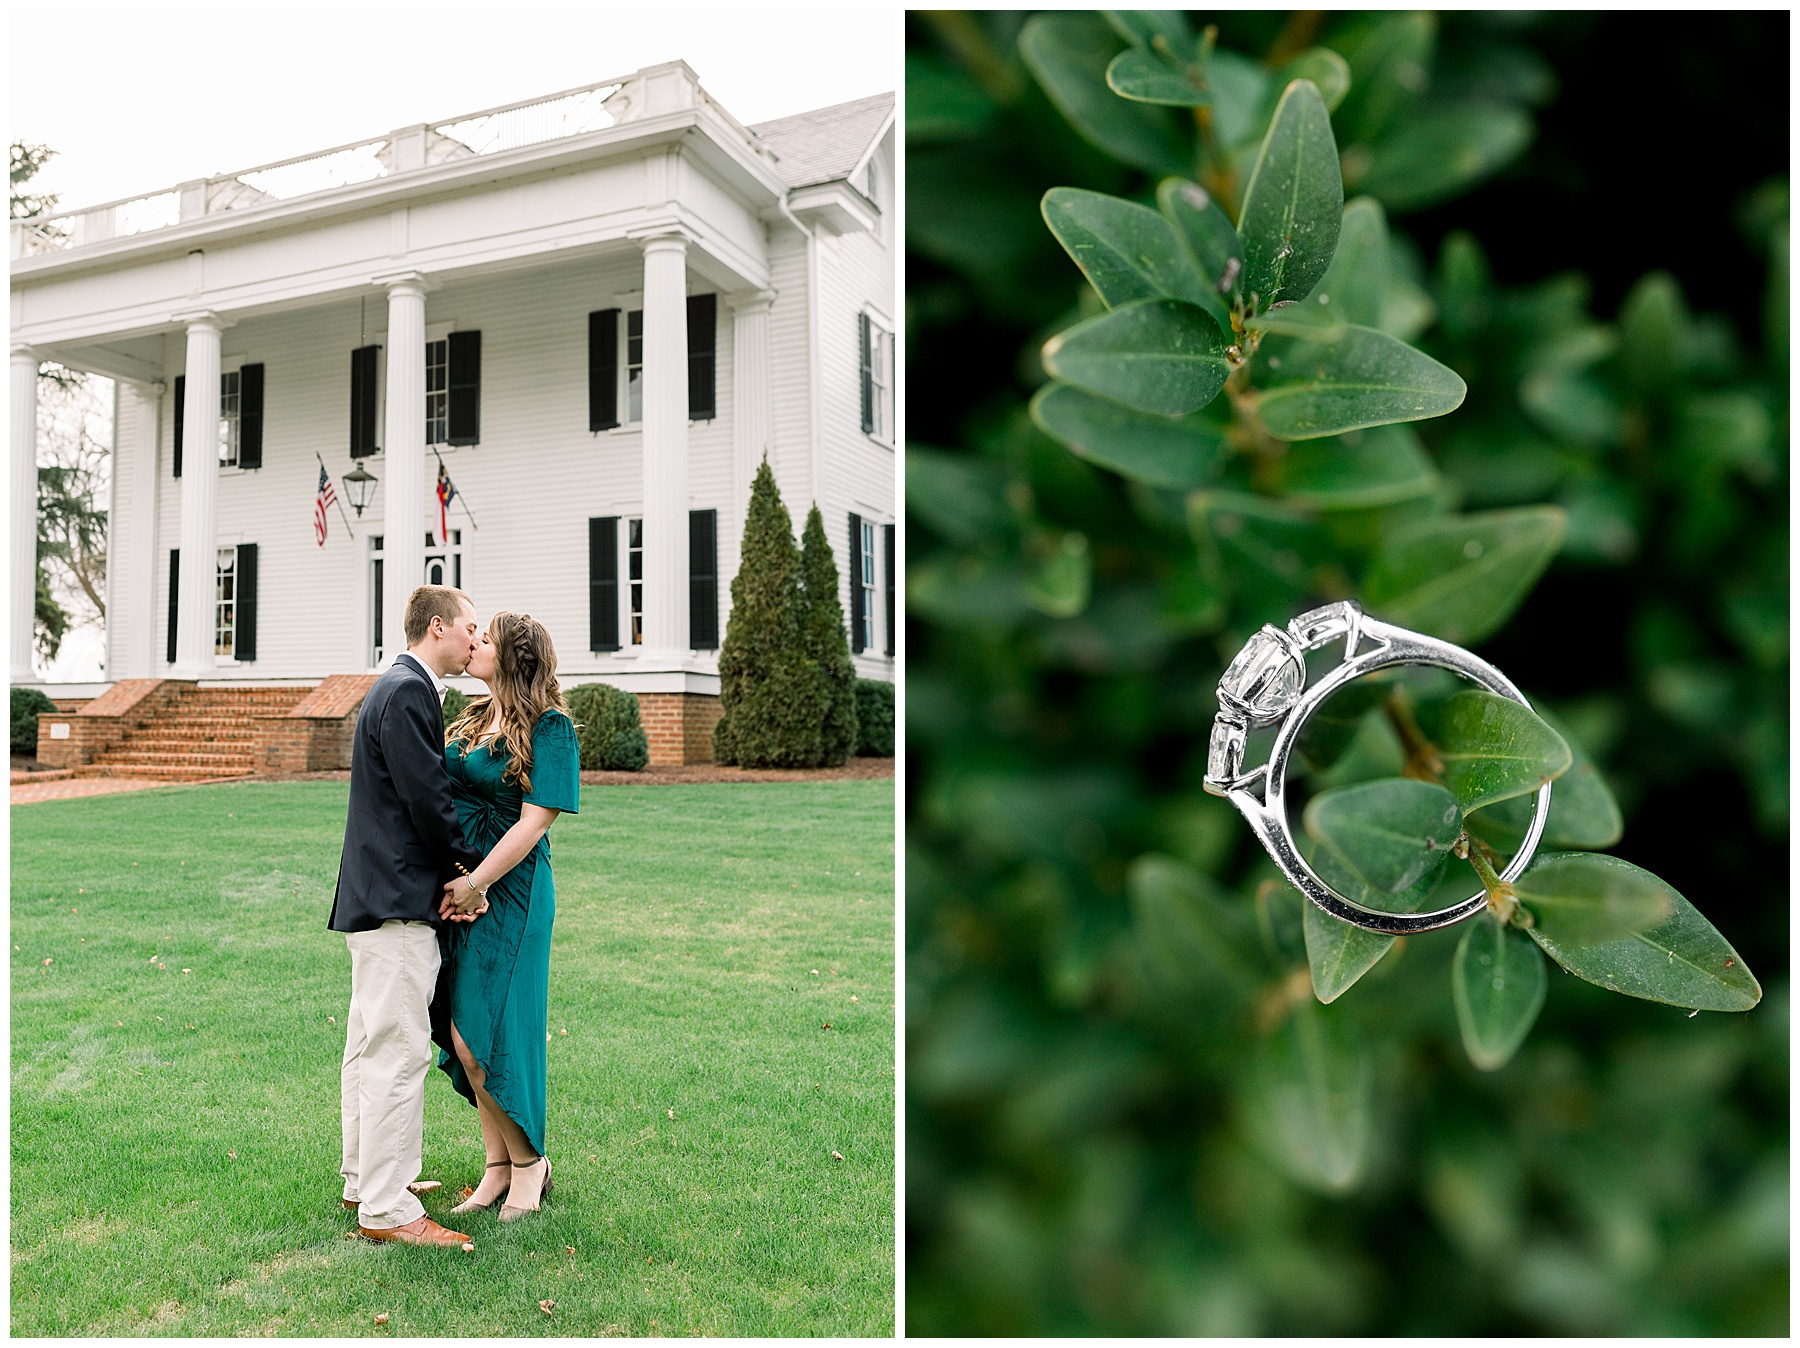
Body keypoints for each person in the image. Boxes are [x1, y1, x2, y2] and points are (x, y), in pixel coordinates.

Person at [328, 585, 490, 1249]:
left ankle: (365, 1179)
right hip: (396, 901)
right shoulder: (406, 692)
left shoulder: (400, 688)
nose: (476, 642)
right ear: (437, 626)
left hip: (379, 898)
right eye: (470, 629)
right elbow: (427, 801)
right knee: (395, 1052)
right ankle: (389, 1210)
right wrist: (468, 875)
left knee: (371, 1046)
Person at [434, 611, 580, 1221]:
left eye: (486, 639)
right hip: (462, 891)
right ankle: (496, 1167)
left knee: (495, 1034)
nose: (474, 643)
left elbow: (534, 821)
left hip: (511, 895)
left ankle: (529, 1165)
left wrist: (477, 883)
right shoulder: (469, 718)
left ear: (514, 657)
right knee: (465, 1034)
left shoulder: (550, 728)